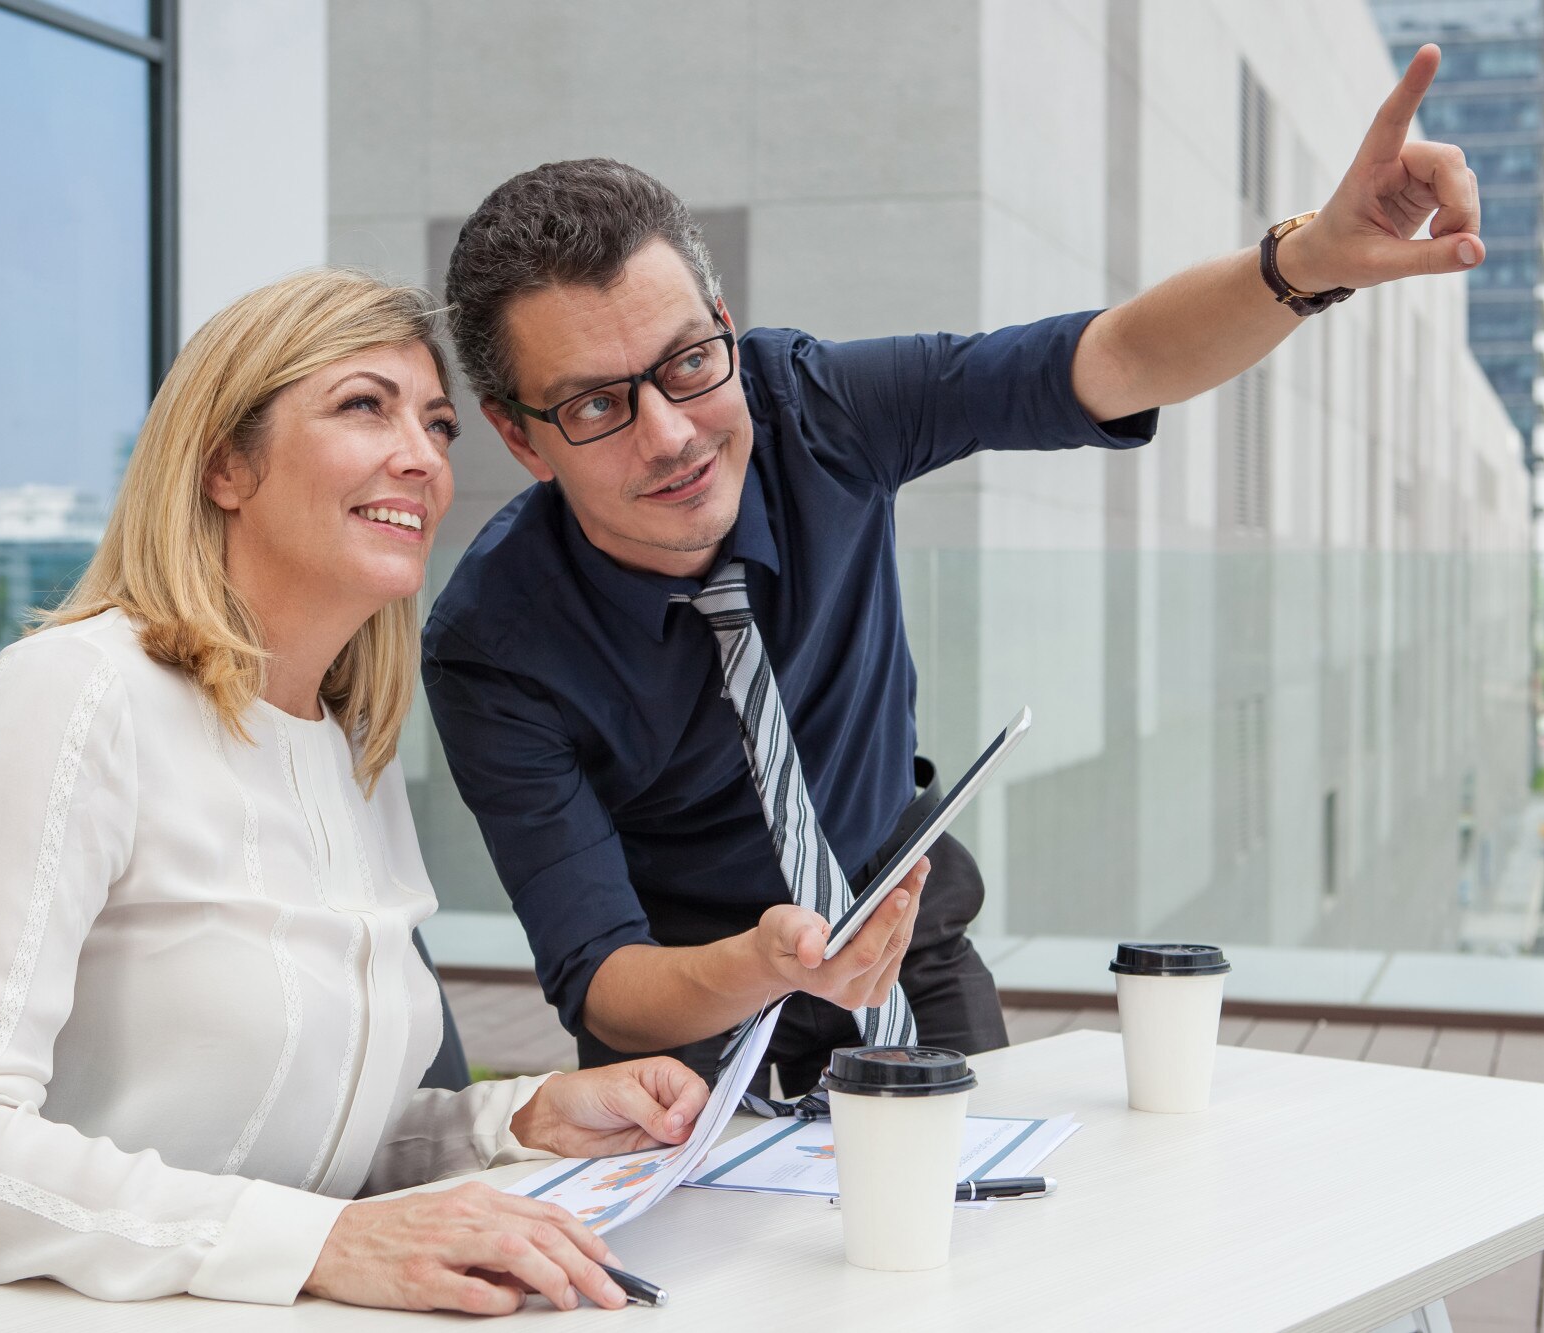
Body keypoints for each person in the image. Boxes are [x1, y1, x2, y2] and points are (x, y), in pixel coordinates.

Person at [422, 46, 1481, 1094]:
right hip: (684, 1034)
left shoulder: (812, 409)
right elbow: (600, 977)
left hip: (910, 944)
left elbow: (1105, 361)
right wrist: (768, 962)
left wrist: (1305, 264)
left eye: (689, 363)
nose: (669, 435)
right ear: (521, 440)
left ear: (726, 335)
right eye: (596, 405)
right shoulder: (492, 645)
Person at [0, 270, 707, 1320]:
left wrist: (520, 1120)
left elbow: (296, 1136)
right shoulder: (75, 695)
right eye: (363, 406)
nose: (423, 458)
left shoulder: (349, 750)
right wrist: (323, 1240)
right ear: (223, 466)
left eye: (437, 425)